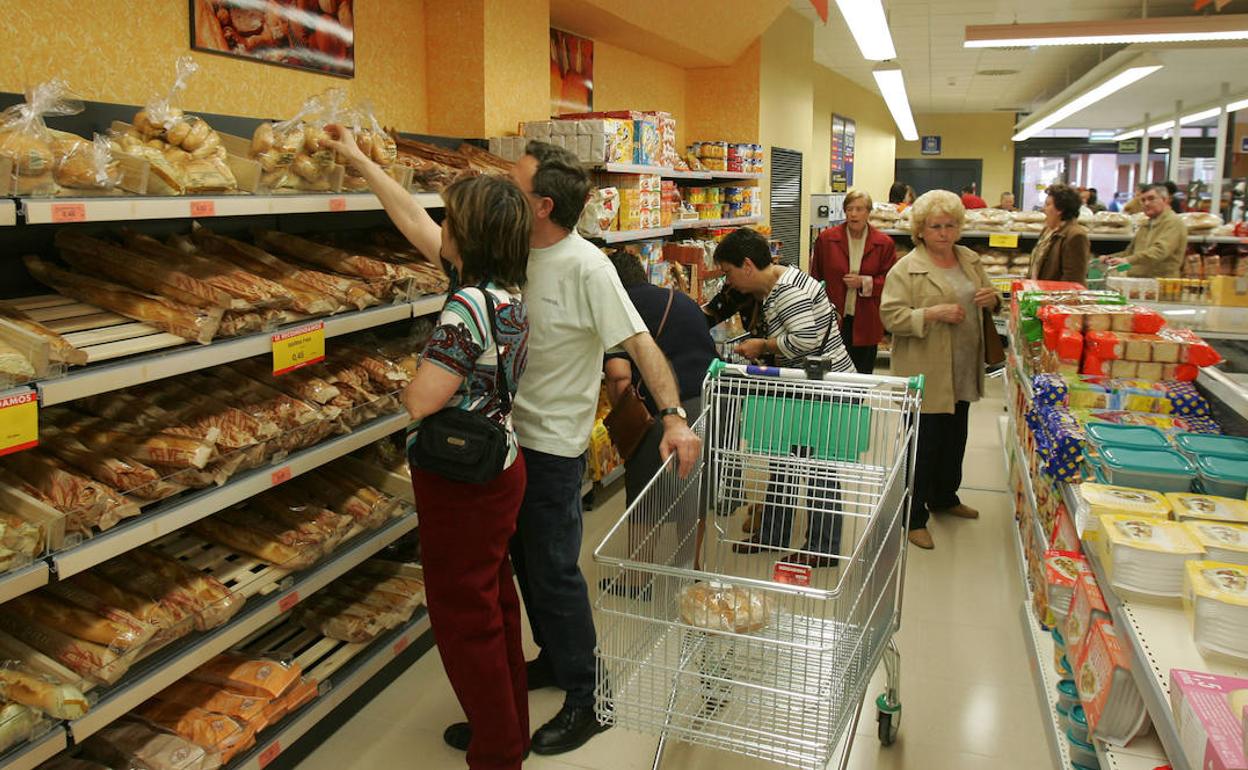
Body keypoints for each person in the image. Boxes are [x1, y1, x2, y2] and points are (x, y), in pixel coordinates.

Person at [322, 126, 533, 769]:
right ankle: (508, 729)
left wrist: (398, 385)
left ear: (465, 236)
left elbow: (423, 400)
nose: (438, 224)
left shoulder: (464, 306)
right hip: (501, 464)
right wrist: (359, 160)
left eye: (450, 218)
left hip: (462, 479)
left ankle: (495, 754)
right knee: (494, 600)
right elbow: (410, 215)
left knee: (463, 617)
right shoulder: (503, 292)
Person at [508, 140, 701, 755]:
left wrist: (673, 417)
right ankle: (554, 658)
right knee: (526, 567)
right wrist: (362, 164)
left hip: (555, 450)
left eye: (515, 186)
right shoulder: (511, 250)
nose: (503, 193)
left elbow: (640, 343)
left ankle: (590, 696)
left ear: (541, 205)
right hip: (509, 442)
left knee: (556, 572)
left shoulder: (587, 264)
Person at [704, 228, 856, 567]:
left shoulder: (788, 292)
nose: (729, 282)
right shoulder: (777, 283)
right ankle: (773, 533)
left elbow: (805, 341)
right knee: (783, 462)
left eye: (728, 272)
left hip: (824, 390)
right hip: (800, 387)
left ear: (746, 265)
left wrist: (763, 346)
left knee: (819, 469)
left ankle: (823, 548)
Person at [880, 190, 1000, 551]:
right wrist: (932, 314)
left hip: (963, 367)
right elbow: (891, 316)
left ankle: (945, 496)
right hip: (926, 369)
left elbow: (992, 296)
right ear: (921, 230)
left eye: (950, 226)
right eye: (935, 227)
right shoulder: (906, 268)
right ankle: (913, 516)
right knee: (924, 445)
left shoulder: (969, 260)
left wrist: (991, 298)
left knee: (955, 438)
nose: (944, 233)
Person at [601, 251, 716, 597]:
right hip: (710, 397)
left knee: (644, 495)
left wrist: (622, 418)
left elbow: (619, 376)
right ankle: (690, 567)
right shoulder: (677, 298)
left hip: (667, 411)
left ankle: (637, 578)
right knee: (691, 485)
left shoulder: (620, 308)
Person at [810, 189, 898, 373]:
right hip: (833, 319)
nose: (853, 214)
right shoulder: (827, 240)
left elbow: (891, 283)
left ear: (868, 212)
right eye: (849, 209)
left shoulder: (884, 243)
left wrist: (864, 282)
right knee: (831, 374)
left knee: (862, 374)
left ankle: (858, 403)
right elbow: (815, 279)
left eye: (859, 209)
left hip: (867, 320)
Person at [1103, 184, 1188, 278]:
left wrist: (1127, 260)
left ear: (1165, 200)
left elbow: (1159, 252)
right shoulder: (1146, 224)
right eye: (1143, 200)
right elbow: (1130, 252)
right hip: (1138, 281)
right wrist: (1110, 258)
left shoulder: (1173, 222)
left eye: (1151, 199)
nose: (1146, 203)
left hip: (1161, 282)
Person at [1030, 183, 1092, 283]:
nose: (1043, 209)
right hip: (1039, 294)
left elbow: (1073, 280)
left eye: (1048, 204)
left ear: (1060, 209)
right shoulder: (1047, 231)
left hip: (1053, 296)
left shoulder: (1076, 236)